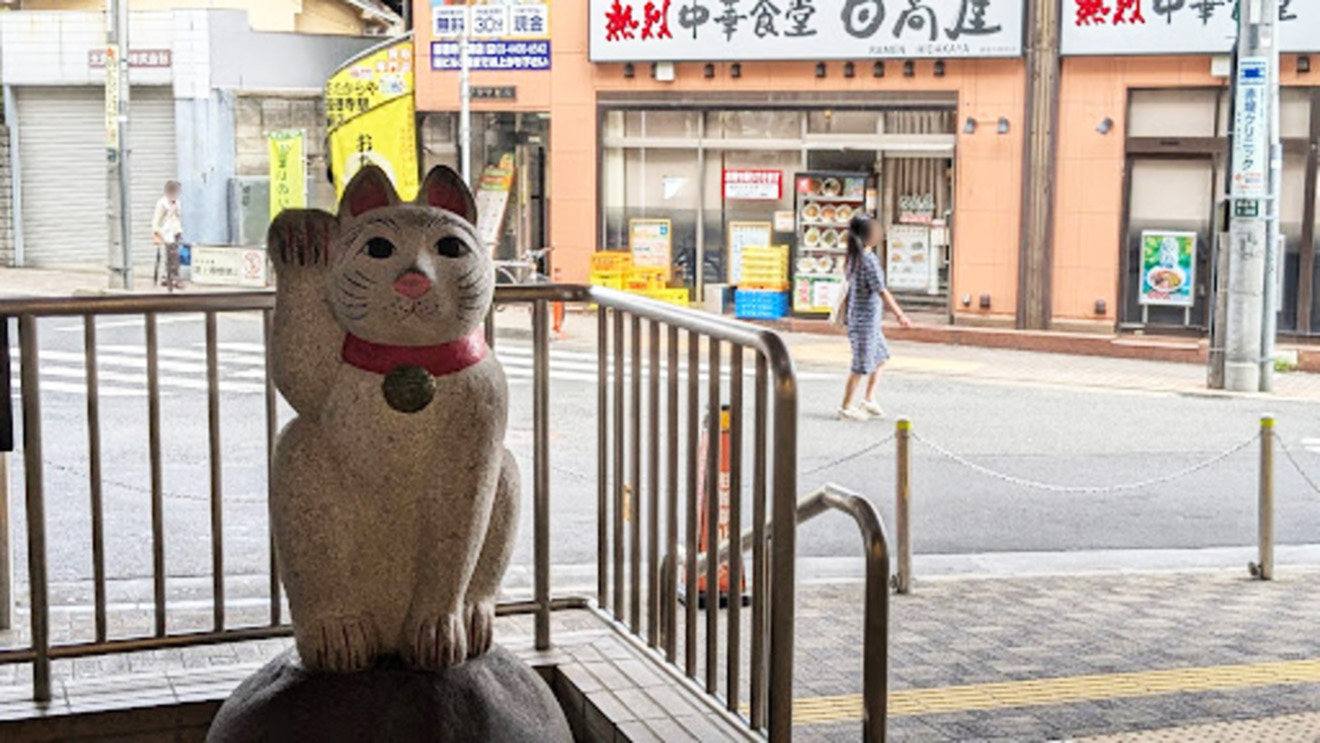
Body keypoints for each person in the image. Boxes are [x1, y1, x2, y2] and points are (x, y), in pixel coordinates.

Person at [838, 214, 910, 421]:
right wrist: (900, 315)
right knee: (860, 365)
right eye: (875, 231)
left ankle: (868, 399)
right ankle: (846, 406)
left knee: (881, 358)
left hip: (867, 320)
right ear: (866, 235)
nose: (880, 234)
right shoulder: (867, 260)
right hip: (863, 322)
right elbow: (882, 290)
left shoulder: (856, 255)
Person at [152, 180, 184, 291]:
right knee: (171, 257)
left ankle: (170, 278)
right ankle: (172, 278)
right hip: (166, 233)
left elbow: (177, 218)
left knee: (175, 256)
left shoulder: (177, 203)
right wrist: (157, 233)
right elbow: (156, 221)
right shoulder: (162, 204)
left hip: (176, 232)